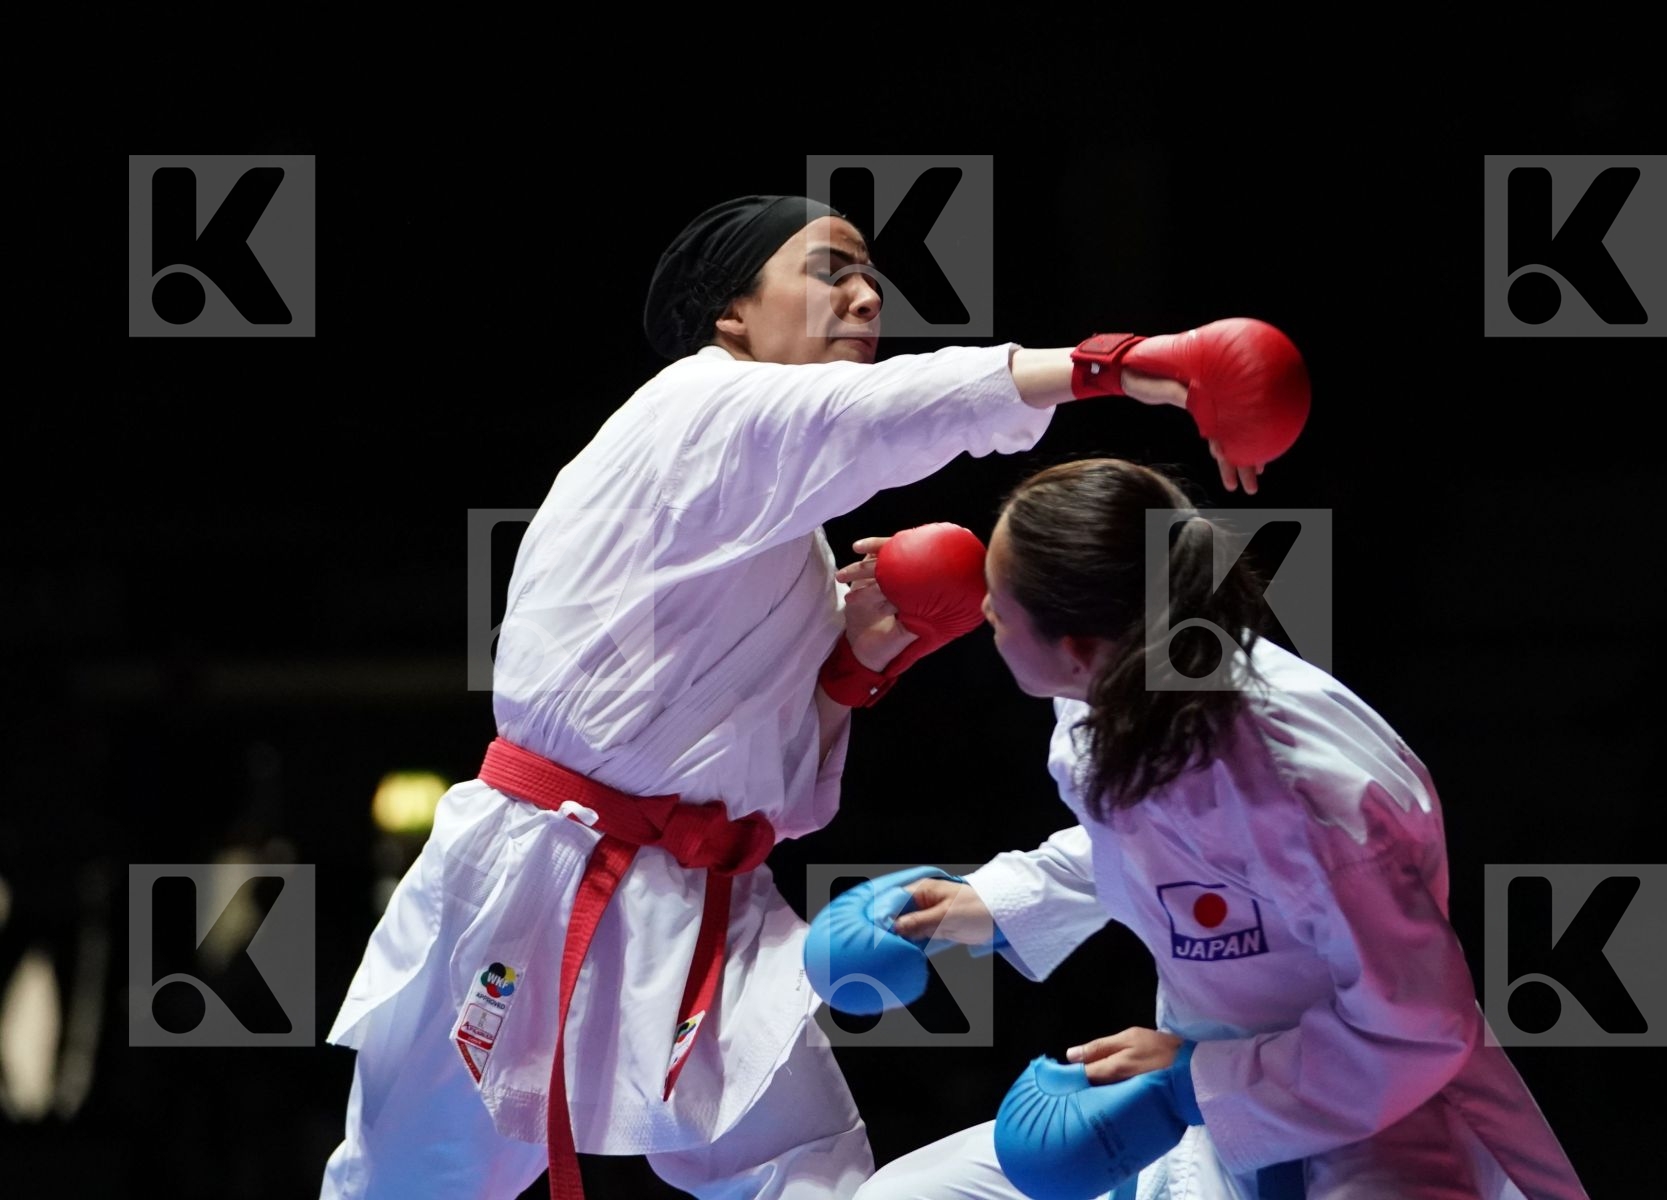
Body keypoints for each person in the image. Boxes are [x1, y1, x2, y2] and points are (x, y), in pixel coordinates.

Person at [318, 193, 1288, 1199]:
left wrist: (852, 668)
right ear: (734, 313)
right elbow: (899, 409)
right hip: (541, 870)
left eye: (872, 278)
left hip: (701, 891)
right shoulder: (699, 407)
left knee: (812, 1178)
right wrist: (1126, 367)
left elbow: (771, 779)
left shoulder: (779, 530)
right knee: (407, 1183)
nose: (866, 295)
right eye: (830, 271)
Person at [845, 458, 1592, 1199]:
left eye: (997, 607)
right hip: (1206, 1096)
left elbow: (1419, 1028)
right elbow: (1148, 851)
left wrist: (1190, 1083)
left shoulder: (1309, 798)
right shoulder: (1112, 688)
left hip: (1381, 1117)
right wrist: (987, 904)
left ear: (1076, 648)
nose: (982, 616)